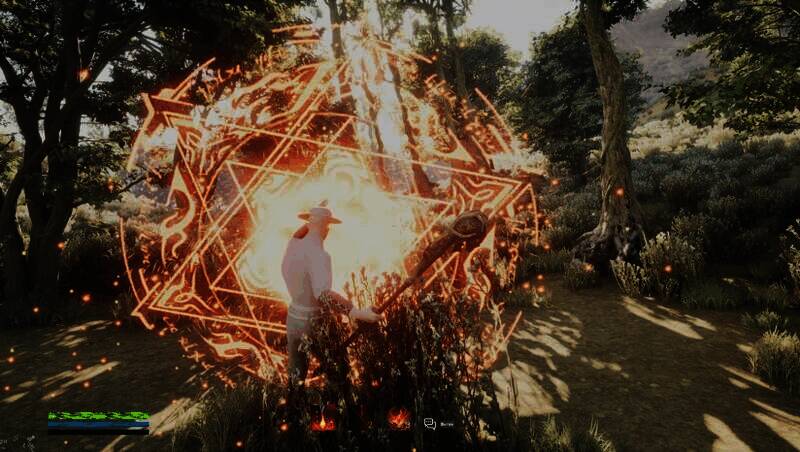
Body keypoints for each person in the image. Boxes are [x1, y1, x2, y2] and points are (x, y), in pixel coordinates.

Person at [280, 202, 383, 385]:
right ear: (326, 228)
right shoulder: (320, 255)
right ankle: (342, 401)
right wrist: (357, 312)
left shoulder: (293, 245)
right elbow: (323, 294)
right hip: (315, 323)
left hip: (294, 319)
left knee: (296, 376)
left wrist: (313, 217)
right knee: (340, 371)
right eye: (327, 226)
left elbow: (298, 234)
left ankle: (293, 402)